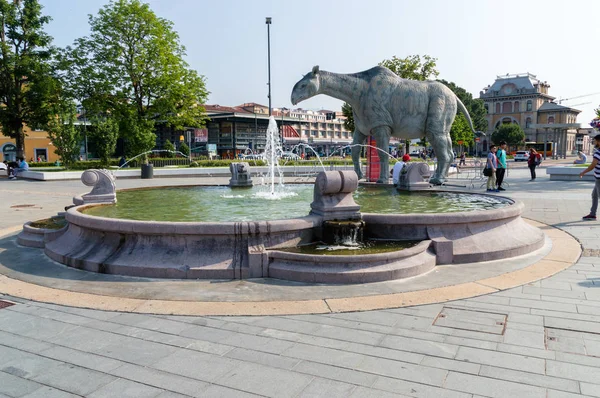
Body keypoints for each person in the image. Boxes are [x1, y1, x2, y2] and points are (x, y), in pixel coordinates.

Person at [579, 134, 600, 221]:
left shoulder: (598, 153)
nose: (594, 142)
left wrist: (583, 172)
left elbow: (592, 165)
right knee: (594, 195)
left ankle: (592, 214)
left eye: (595, 140)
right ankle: (592, 214)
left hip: (599, 178)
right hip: (597, 177)